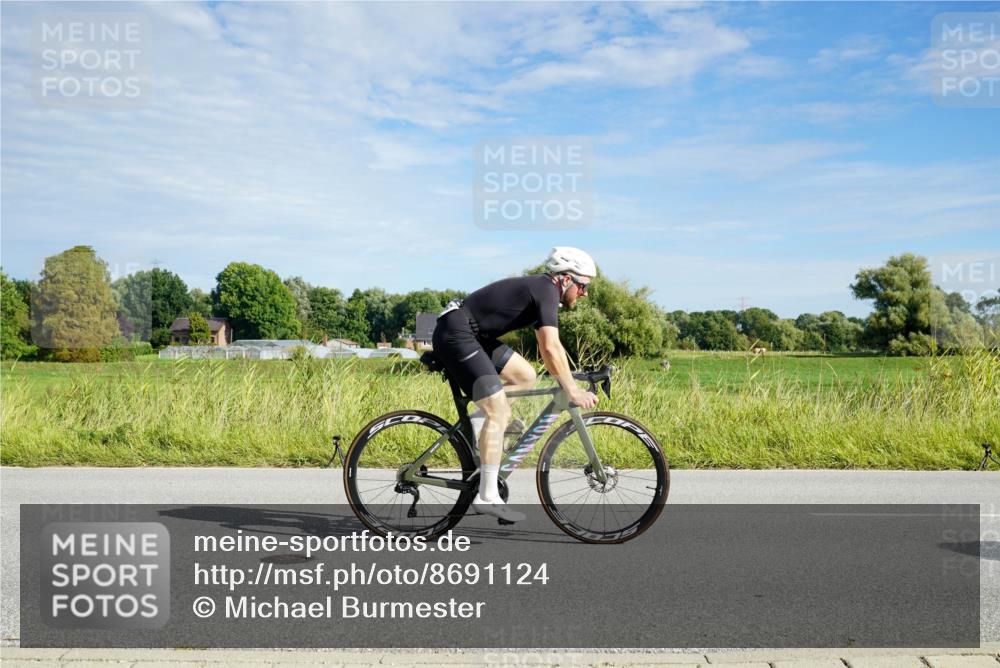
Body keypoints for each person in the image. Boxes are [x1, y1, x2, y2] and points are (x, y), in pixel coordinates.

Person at [431, 247, 599, 523]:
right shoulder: (546, 289)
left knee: (525, 375)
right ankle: (486, 495)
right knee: (498, 412)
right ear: (566, 279)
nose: (585, 293)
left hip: (470, 333)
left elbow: (553, 349)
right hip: (456, 333)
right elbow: (550, 347)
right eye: (583, 286)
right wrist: (572, 391)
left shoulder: (543, 291)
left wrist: (572, 380)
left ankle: (480, 423)